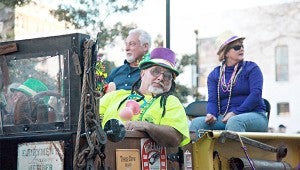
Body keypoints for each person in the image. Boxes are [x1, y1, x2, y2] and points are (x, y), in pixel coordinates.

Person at [100, 47, 190, 147]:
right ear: (142, 73)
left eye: (167, 76)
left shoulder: (171, 102)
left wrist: (146, 126)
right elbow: (88, 120)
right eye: (155, 71)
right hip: (103, 157)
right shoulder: (114, 96)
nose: (161, 78)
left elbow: (175, 138)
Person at [190, 30, 268, 136]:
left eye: (242, 46)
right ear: (226, 52)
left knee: (235, 121)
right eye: (236, 47)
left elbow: (256, 94)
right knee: (196, 123)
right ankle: (199, 153)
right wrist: (211, 114)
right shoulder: (215, 74)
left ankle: (236, 153)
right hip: (225, 118)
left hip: (255, 115)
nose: (241, 49)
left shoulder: (252, 68)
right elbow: (213, 100)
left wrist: (235, 112)